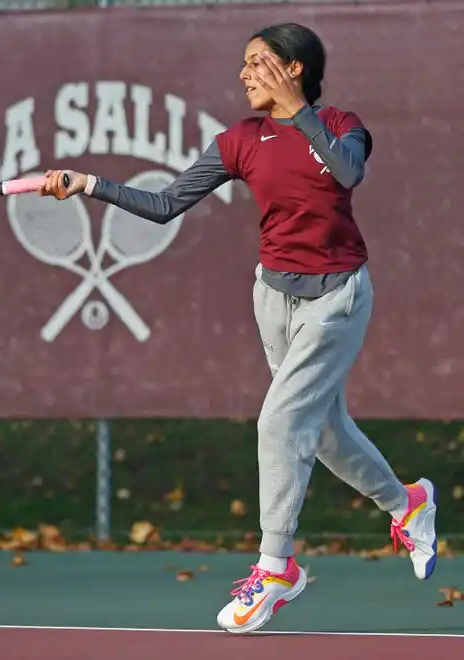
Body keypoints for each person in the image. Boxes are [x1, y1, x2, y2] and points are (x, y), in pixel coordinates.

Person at [38, 22, 438, 634]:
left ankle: (276, 569)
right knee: (323, 430)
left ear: (294, 68)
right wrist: (88, 183)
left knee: (280, 422)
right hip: (273, 298)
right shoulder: (240, 140)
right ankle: (406, 502)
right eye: (243, 64)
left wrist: (302, 113)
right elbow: (166, 203)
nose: (244, 74)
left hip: (337, 299)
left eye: (257, 62)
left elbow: (347, 173)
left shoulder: (341, 126)